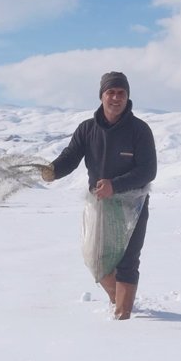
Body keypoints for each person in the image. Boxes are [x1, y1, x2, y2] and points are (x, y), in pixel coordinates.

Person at [40, 71, 157, 319]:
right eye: (111, 92)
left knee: (127, 260)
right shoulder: (87, 129)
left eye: (121, 93)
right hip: (100, 205)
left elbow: (148, 170)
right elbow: (70, 157)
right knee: (96, 258)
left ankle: (124, 316)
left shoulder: (139, 130)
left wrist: (116, 185)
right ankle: (119, 302)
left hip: (133, 205)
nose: (116, 97)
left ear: (127, 96)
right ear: (102, 95)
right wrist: (53, 170)